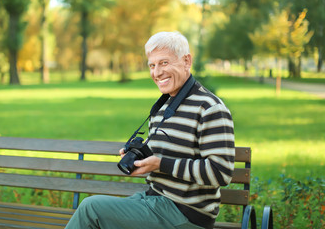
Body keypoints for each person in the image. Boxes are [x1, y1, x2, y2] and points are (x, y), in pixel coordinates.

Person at [65, 31, 235, 229]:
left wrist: (160, 164)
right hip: (155, 200)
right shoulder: (162, 107)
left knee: (90, 209)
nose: (157, 73)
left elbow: (220, 172)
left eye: (164, 63)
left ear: (186, 61)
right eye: (152, 65)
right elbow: (164, 160)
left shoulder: (209, 107)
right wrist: (140, 159)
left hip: (187, 214)